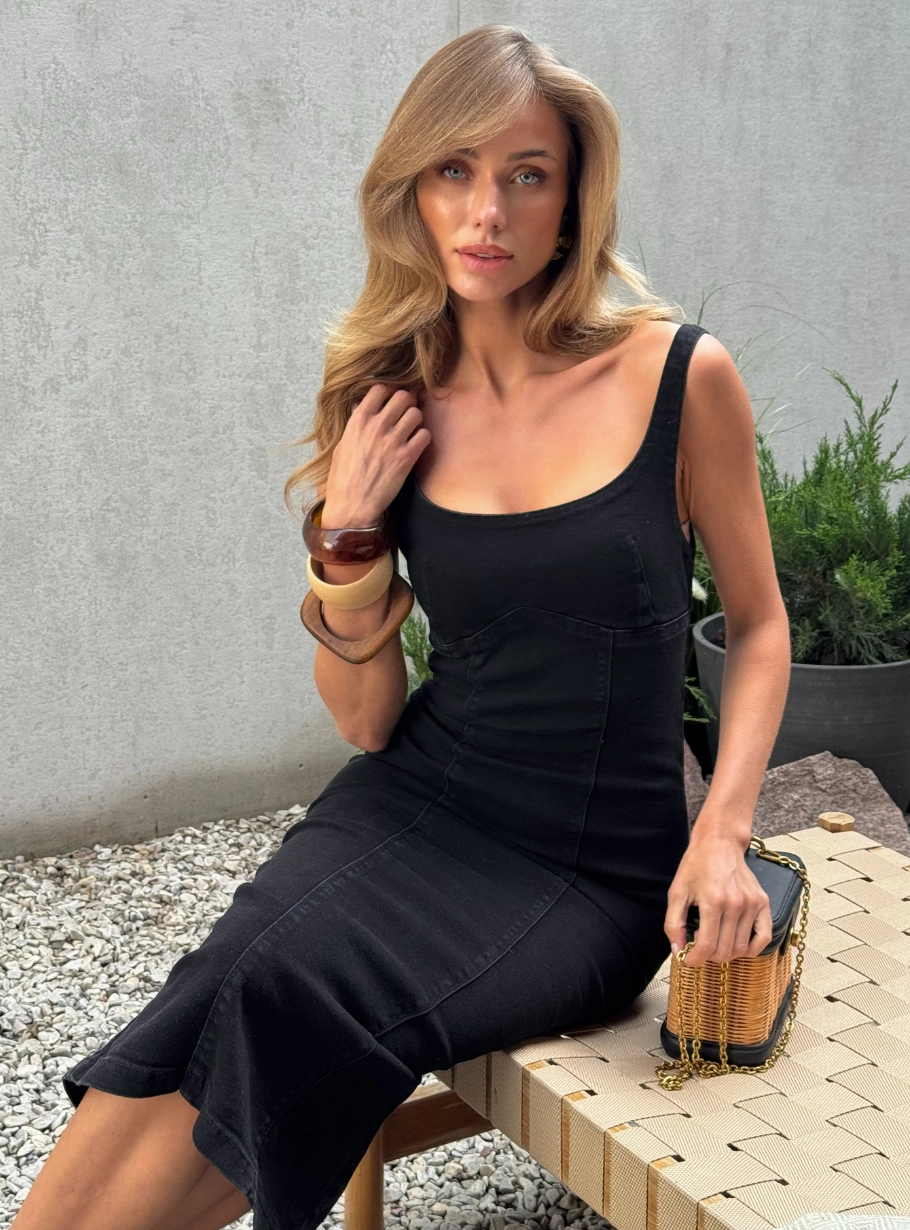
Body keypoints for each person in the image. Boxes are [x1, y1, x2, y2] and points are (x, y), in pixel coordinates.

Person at [16, 24, 791, 1230]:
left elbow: (758, 626)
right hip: (420, 794)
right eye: (454, 171)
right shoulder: (387, 398)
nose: (487, 211)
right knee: (233, 971)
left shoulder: (678, 378)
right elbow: (369, 722)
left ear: (572, 198)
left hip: (590, 870)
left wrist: (724, 835)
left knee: (293, 989)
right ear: (411, 193)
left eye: (526, 174)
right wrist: (350, 536)